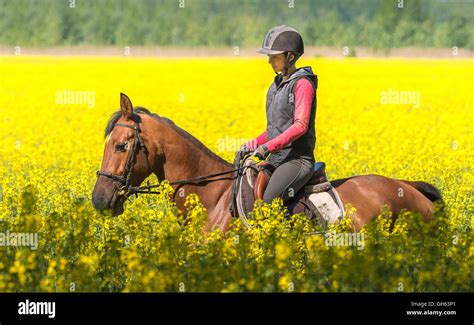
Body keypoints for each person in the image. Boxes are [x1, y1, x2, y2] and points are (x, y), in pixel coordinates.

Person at [237, 25, 318, 204]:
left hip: (297, 160)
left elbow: (300, 126)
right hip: (277, 158)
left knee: (268, 202)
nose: (269, 61)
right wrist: (251, 145)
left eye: (274, 57)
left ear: (291, 56)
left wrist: (266, 148)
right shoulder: (276, 86)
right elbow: (274, 130)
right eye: (269, 57)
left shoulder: (302, 84)